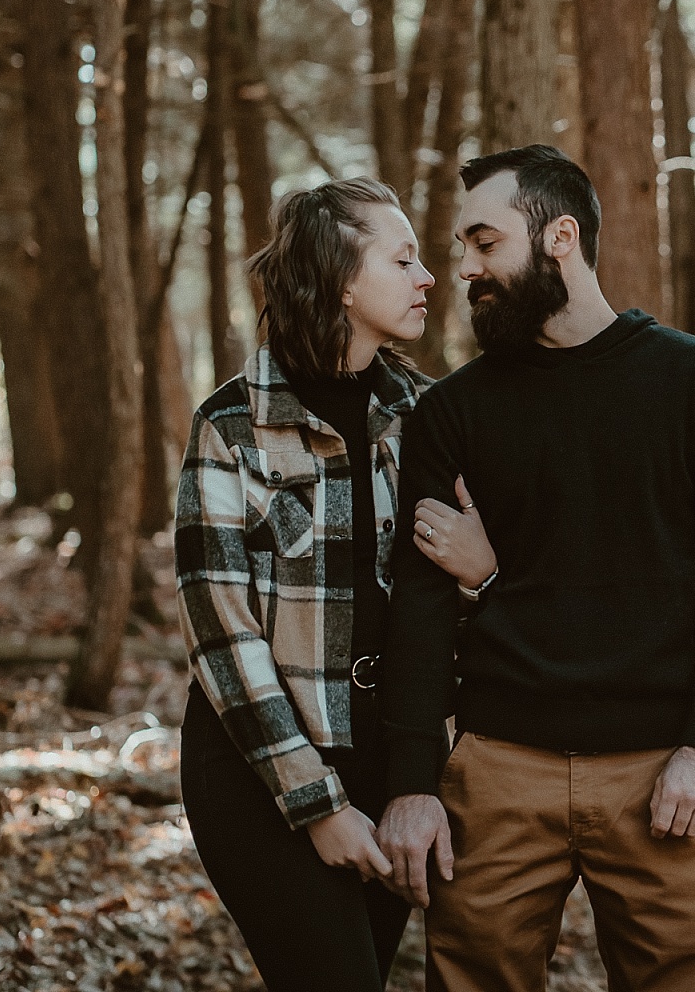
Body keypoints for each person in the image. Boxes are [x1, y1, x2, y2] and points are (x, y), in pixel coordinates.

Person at [376, 145, 695, 992]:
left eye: (484, 244)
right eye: (461, 249)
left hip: (662, 770)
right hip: (496, 772)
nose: (464, 269)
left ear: (560, 236)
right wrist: (413, 783)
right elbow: (416, 606)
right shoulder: (450, 412)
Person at [174, 177, 498, 992]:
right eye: (405, 259)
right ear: (344, 281)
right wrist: (315, 804)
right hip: (258, 768)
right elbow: (222, 636)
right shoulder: (231, 429)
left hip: (390, 766)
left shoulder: (429, 413)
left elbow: (456, 597)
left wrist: (481, 575)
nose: (430, 277)